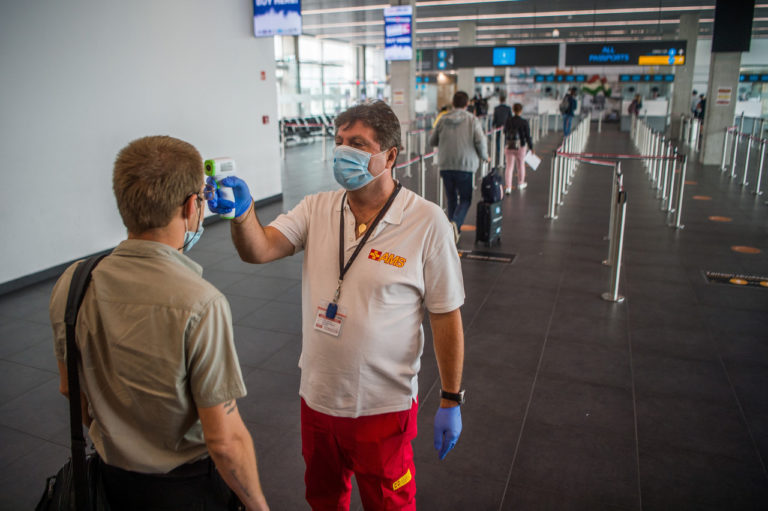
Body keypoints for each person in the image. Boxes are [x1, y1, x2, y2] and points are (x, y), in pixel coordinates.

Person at [207, 101, 466, 510]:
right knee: (324, 499)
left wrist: (451, 397)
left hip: (384, 408)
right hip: (318, 399)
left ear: (390, 156)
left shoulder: (426, 222)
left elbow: (445, 314)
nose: (343, 152)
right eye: (339, 142)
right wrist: (243, 217)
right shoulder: (318, 208)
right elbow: (260, 249)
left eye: (357, 144)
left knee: (389, 504)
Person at [49, 136, 270, 511]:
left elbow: (72, 390)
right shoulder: (200, 303)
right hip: (185, 490)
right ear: (190, 207)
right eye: (201, 199)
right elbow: (225, 441)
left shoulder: (73, 281)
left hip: (110, 483)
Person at [429, 90, 490, 242]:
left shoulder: (443, 119)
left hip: (446, 164)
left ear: (453, 103)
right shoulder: (472, 120)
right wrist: (485, 157)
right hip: (465, 165)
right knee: (466, 199)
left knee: (451, 199)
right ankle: (455, 224)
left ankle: (452, 232)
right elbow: (480, 141)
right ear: (467, 104)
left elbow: (432, 141)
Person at [503, 103, 534, 193]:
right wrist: (531, 147)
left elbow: (505, 132)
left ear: (513, 110)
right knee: (520, 165)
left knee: (509, 167)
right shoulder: (524, 122)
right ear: (521, 111)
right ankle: (521, 183)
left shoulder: (508, 121)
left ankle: (508, 187)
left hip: (509, 146)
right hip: (521, 146)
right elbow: (528, 136)